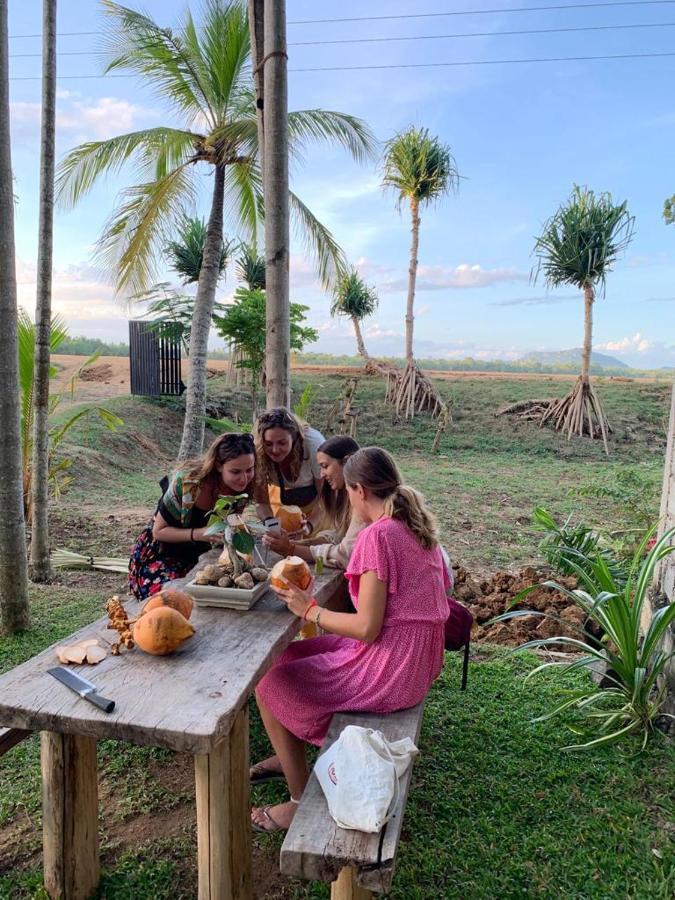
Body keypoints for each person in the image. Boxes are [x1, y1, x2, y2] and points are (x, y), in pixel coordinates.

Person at [250, 446, 449, 833]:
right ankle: (285, 750)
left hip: (393, 667)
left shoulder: (379, 536)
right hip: (414, 657)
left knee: (268, 685)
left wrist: (309, 610)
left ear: (358, 491)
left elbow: (365, 628)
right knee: (284, 658)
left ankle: (297, 798)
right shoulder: (414, 525)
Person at [128, 432, 256, 600]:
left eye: (249, 470)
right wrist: (200, 534)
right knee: (174, 602)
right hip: (160, 556)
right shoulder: (187, 483)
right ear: (218, 465)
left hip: (200, 558)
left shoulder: (241, 489)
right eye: (235, 472)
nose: (244, 479)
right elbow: (158, 532)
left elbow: (233, 520)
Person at [262, 435, 364, 569]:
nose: (321, 474)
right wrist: (301, 543)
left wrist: (293, 550)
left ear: (347, 462)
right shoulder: (344, 495)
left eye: (325, 466)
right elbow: (339, 534)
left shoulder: (363, 501)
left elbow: (346, 554)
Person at [253, 407, 326, 533]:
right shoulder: (257, 451)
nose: (275, 450)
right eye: (268, 444)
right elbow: (262, 502)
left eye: (282, 443)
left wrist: (309, 525)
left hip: (321, 506)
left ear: (295, 438)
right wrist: (272, 527)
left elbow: (327, 498)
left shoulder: (314, 446)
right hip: (280, 502)